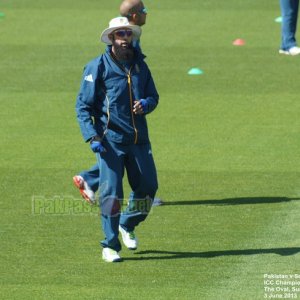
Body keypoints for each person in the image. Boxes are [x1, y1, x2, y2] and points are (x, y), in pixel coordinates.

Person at [75, 16, 159, 262]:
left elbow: (154, 96)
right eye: (120, 34)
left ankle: (127, 223)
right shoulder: (97, 67)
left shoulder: (141, 67)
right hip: (109, 142)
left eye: (128, 34)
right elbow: (83, 107)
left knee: (148, 188)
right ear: (111, 38)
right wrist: (92, 136)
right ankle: (109, 245)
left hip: (139, 140)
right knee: (112, 194)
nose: (125, 39)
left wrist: (146, 104)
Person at [73, 0, 163, 206]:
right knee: (117, 148)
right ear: (134, 15)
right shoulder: (128, 43)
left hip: (132, 125)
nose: (146, 13)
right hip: (118, 120)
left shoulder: (131, 35)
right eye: (144, 10)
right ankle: (129, 199)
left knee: (124, 153)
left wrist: (146, 101)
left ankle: (92, 179)